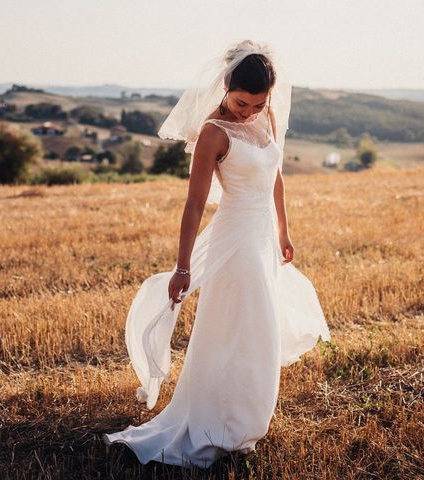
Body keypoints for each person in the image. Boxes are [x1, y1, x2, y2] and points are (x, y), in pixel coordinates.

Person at [102, 39, 332, 469]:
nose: (248, 112)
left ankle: (246, 421)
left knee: (259, 331)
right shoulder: (213, 133)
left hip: (262, 237)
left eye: (257, 104)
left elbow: (276, 176)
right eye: (242, 102)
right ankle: (216, 421)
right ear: (226, 86)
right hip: (235, 239)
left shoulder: (269, 117)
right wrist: (182, 265)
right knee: (234, 329)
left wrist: (284, 230)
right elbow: (193, 205)